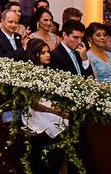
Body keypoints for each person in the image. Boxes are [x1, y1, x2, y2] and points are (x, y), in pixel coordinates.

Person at [22, 39, 68, 174]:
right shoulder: (29, 73)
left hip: (48, 106)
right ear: (35, 54)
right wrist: (55, 111)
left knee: (67, 120)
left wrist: (59, 107)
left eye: (48, 52)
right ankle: (48, 165)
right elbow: (34, 103)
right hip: (34, 111)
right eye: (43, 53)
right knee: (56, 123)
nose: (48, 55)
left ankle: (59, 165)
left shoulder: (49, 70)